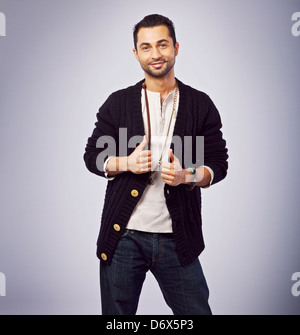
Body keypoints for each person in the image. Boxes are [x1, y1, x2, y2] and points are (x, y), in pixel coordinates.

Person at [84, 14, 228, 315]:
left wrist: (186, 176)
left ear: (176, 47)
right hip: (123, 236)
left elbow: (218, 163)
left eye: (162, 45)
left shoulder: (199, 104)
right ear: (136, 54)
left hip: (178, 237)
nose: (156, 54)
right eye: (146, 47)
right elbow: (92, 156)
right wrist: (126, 162)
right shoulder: (118, 103)